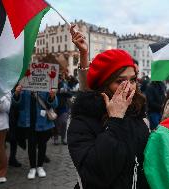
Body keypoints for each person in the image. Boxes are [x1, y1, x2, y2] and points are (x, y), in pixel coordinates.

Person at [67, 25, 150, 189]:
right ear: (104, 85)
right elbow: (96, 173)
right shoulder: (83, 121)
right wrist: (115, 121)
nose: (129, 87)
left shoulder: (136, 113)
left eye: (132, 80)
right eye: (120, 81)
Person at [12, 86, 58, 179]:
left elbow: (54, 104)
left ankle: (40, 166)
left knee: (42, 144)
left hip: (42, 120)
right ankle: (32, 167)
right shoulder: (24, 86)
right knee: (31, 144)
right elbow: (16, 104)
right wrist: (16, 94)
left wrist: (52, 96)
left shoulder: (45, 85)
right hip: (28, 121)